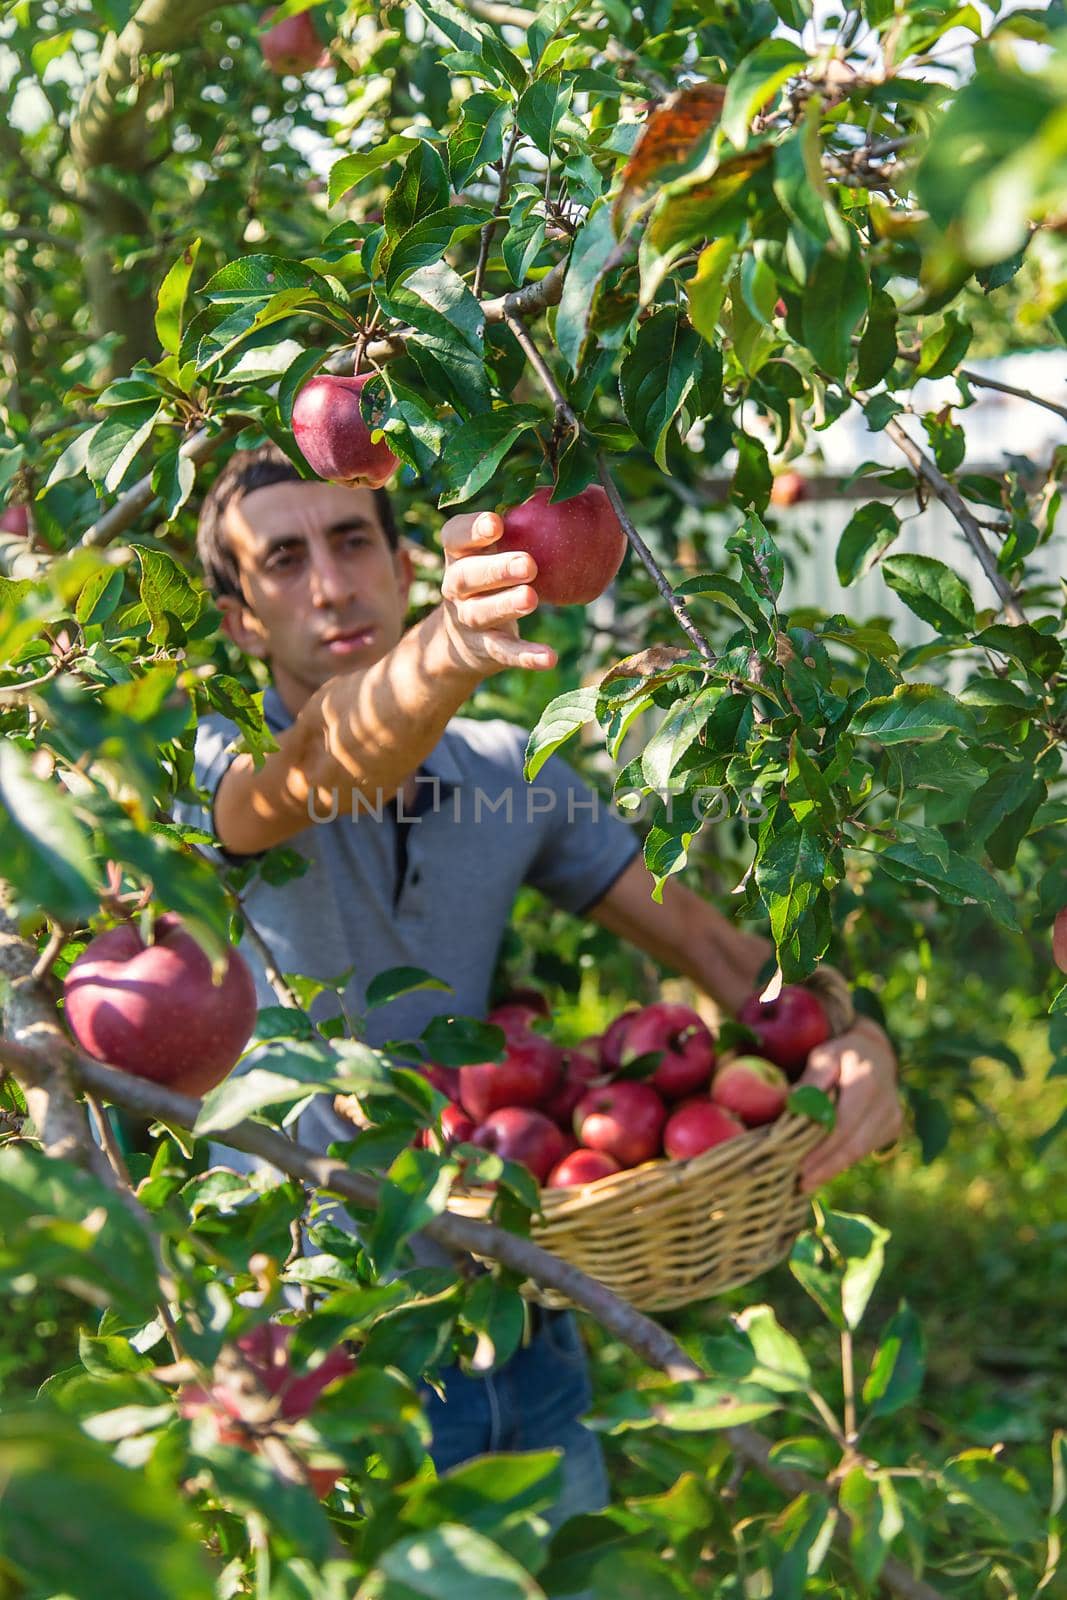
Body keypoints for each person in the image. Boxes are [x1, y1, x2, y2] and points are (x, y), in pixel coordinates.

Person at [182, 441, 903, 1527]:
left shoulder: (508, 771)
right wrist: (445, 653)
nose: (330, 584)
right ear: (240, 618)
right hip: (319, 1338)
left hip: (519, 1303)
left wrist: (854, 1031)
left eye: (350, 541)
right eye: (282, 560)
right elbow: (324, 766)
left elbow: (711, 952)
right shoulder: (212, 768)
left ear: (404, 562)